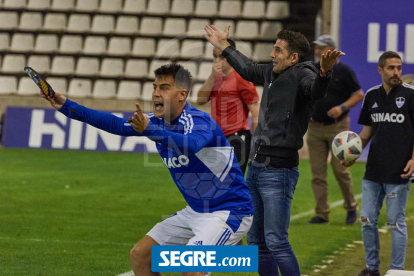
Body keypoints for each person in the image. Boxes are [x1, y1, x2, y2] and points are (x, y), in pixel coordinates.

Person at [40, 63, 254, 276]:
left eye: (164, 88)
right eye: (154, 87)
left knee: (190, 268)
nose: (155, 94)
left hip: (229, 210)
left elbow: (191, 145)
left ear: (182, 94)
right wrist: (67, 105)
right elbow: (114, 124)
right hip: (196, 210)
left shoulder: (198, 121)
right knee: (141, 255)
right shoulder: (155, 122)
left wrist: (149, 130)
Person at [204, 25, 344, 275]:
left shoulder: (303, 73)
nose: (272, 54)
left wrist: (324, 72)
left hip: (278, 170)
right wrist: (222, 45)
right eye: (273, 49)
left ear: (293, 58)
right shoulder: (271, 73)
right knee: (257, 242)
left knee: (277, 242)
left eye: (278, 50)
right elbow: (246, 67)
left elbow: (316, 90)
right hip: (256, 168)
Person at [343, 51, 414, 276]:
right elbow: (366, 132)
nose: (396, 72)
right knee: (366, 220)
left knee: (395, 222)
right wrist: (353, 153)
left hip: (400, 170)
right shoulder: (372, 96)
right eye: (391, 68)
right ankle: (372, 268)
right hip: (373, 170)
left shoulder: (411, 95)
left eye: (399, 68)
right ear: (380, 70)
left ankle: (396, 270)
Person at [307, 35, 364, 225]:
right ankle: (322, 213)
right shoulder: (312, 69)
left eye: (321, 48)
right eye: (317, 48)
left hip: (338, 126)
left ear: (331, 50)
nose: (317, 51)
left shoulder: (344, 71)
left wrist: (342, 107)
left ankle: (350, 207)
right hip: (314, 126)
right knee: (317, 174)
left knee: (341, 170)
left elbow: (358, 95)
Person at [196, 38, 260, 174]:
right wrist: (212, 76)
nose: (217, 60)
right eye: (214, 56)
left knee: (232, 182)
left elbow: (255, 108)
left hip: (236, 138)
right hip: (217, 136)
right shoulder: (216, 77)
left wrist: (257, 139)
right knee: (215, 182)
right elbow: (200, 100)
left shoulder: (241, 78)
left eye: (222, 56)